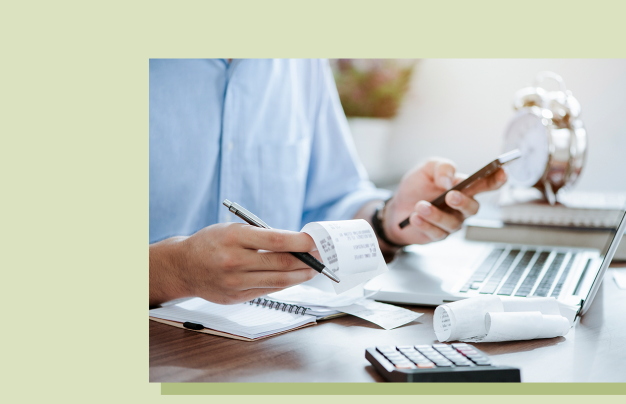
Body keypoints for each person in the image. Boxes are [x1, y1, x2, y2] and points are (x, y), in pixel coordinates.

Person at [149, 59, 506, 306]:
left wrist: (392, 218)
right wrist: (175, 270)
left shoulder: (301, 62)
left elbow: (333, 197)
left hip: (271, 340)